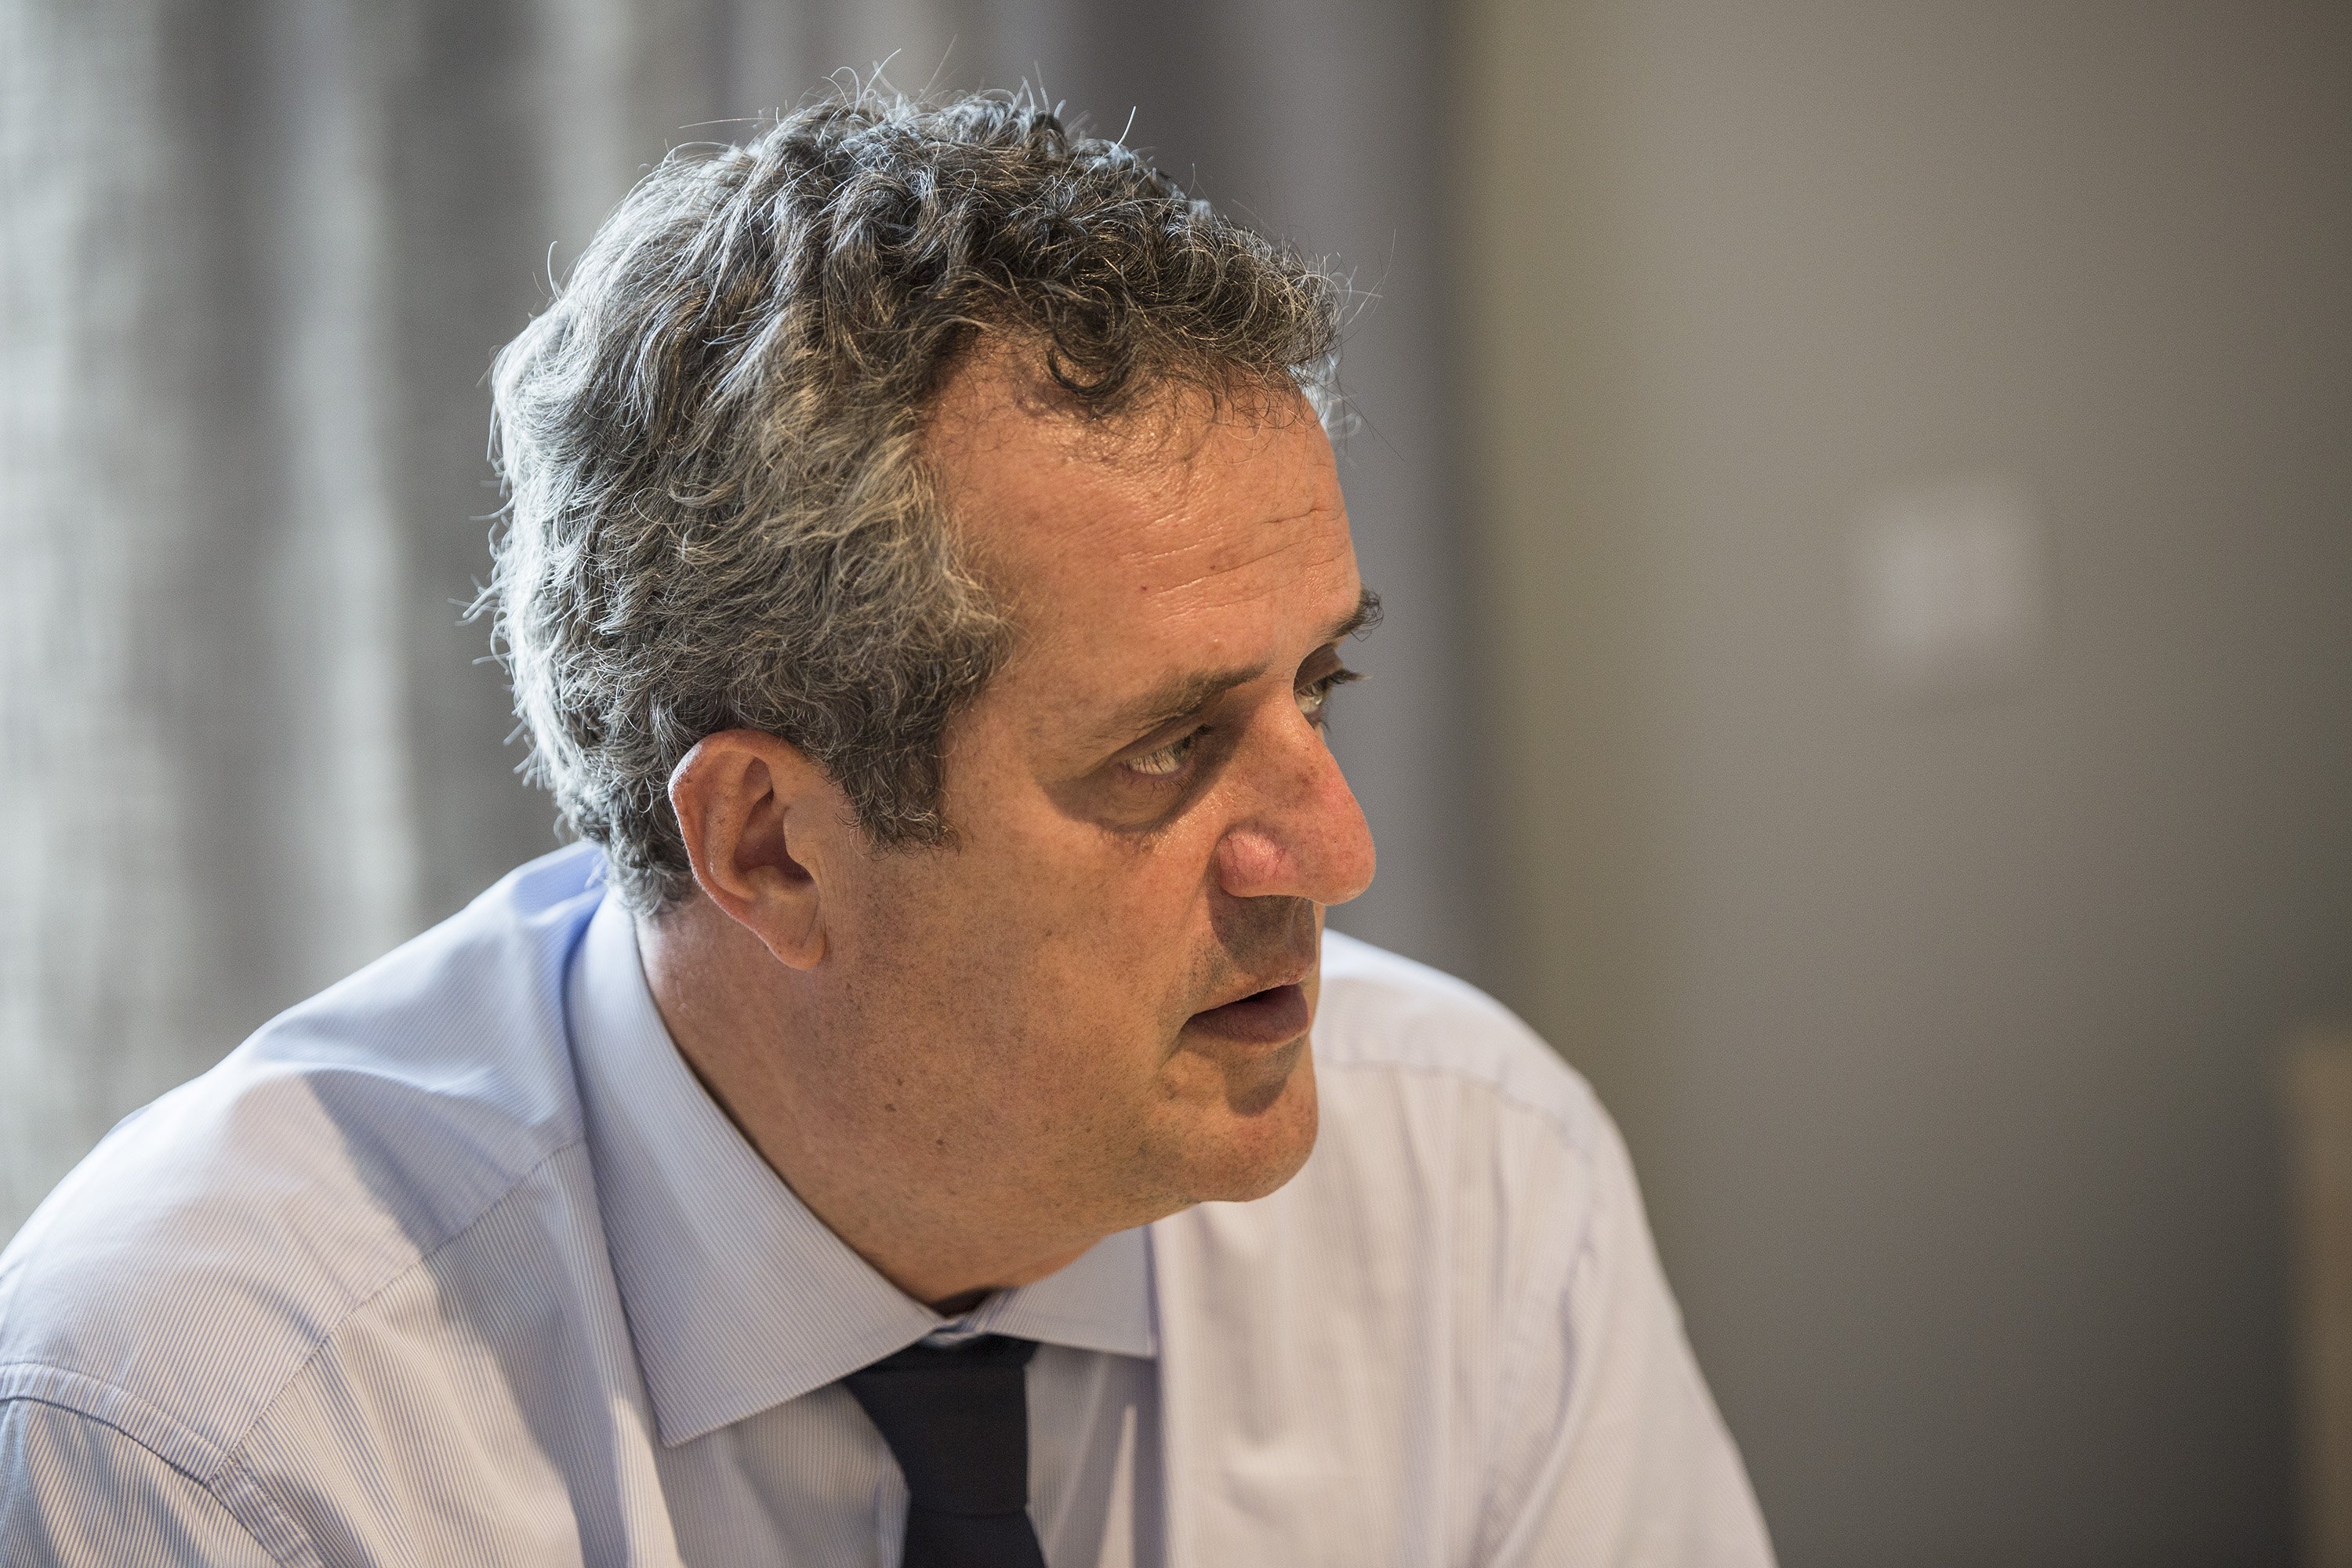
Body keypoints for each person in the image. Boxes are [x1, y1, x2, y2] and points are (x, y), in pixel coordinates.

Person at [0, 89, 1773, 1566]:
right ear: (769, 847)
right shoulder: (202, 1438)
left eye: (1319, 686)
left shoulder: (1475, 1181)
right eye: (1167, 748)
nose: (1335, 852)